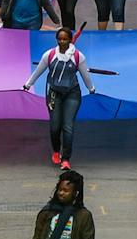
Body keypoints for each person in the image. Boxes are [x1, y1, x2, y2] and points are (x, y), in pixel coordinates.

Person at [27, 27, 98, 169]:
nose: (62, 41)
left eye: (65, 39)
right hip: (54, 94)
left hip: (72, 94)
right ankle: (55, 151)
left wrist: (91, 89)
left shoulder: (78, 56)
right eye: (59, 39)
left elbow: (85, 75)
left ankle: (65, 159)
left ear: (70, 40)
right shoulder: (50, 54)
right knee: (55, 127)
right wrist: (28, 84)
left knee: (68, 127)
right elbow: (38, 71)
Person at [32, 170, 95, 239]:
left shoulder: (84, 216)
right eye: (59, 189)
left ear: (76, 193)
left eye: (66, 191)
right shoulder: (47, 213)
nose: (61, 193)